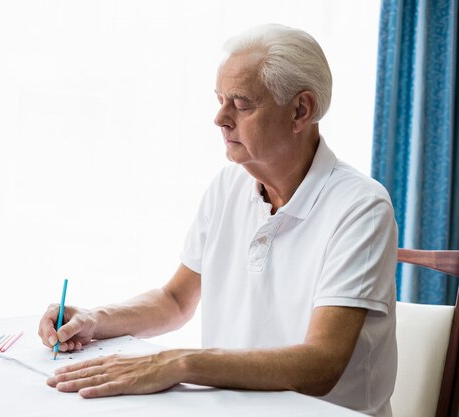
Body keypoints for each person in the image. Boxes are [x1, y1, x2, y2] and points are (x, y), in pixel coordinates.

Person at [38, 24, 397, 417]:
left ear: (301, 110)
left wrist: (181, 363)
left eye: (241, 104)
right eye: (220, 100)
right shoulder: (229, 185)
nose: (220, 118)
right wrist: (95, 320)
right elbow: (175, 301)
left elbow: (320, 365)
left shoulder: (361, 206)